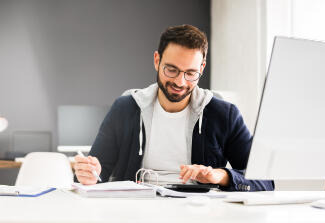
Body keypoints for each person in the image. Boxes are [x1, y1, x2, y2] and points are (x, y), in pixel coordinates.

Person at [74, 24, 274, 191]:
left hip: (200, 211)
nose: (180, 81)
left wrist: (220, 176)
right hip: (135, 209)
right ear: (156, 60)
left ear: (202, 68)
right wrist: (89, 175)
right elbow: (94, 175)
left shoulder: (225, 115)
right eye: (172, 69)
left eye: (190, 73)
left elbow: (265, 181)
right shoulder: (125, 109)